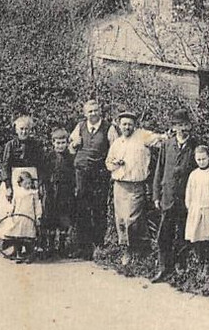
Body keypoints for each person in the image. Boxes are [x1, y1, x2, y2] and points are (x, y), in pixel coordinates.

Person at [105, 110, 166, 265]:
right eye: (124, 124)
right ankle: (126, 250)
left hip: (136, 185)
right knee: (120, 219)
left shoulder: (142, 136)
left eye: (130, 124)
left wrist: (169, 134)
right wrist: (115, 163)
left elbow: (159, 139)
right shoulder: (117, 143)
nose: (127, 127)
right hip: (119, 185)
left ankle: (137, 249)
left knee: (132, 218)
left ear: (135, 125)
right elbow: (108, 163)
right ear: (119, 125)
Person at [152, 108, 198, 283]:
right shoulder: (167, 145)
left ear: (190, 126)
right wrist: (156, 195)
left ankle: (180, 267)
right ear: (174, 127)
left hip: (186, 199)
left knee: (182, 234)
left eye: (185, 125)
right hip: (168, 197)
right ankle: (164, 268)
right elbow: (159, 171)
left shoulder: (194, 146)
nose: (183, 128)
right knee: (164, 234)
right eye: (179, 125)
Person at [69, 99, 116, 257]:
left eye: (95, 110)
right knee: (82, 207)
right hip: (82, 171)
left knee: (98, 207)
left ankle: (98, 244)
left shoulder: (108, 128)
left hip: (99, 173)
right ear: (85, 113)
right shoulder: (80, 126)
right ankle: (82, 245)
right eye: (90, 111)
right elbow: (70, 147)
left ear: (100, 111)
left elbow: (115, 149)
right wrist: (74, 145)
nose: (93, 114)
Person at [184, 146, 209, 264]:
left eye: (203, 159)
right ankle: (199, 259)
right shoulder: (193, 174)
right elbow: (189, 191)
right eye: (199, 159)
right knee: (196, 235)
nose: (201, 162)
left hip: (208, 210)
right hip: (196, 209)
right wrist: (189, 206)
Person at [42, 127, 76, 258]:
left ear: (67, 143)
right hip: (51, 191)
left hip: (65, 192)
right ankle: (49, 246)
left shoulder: (70, 158)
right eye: (58, 143)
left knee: (64, 219)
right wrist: (44, 187)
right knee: (50, 217)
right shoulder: (49, 157)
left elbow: (73, 175)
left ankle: (61, 246)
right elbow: (44, 173)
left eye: (63, 143)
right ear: (53, 143)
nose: (60, 146)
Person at [0, 170, 42, 263]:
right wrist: (10, 212)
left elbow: (37, 206)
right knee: (18, 237)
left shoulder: (33, 193)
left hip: (29, 219)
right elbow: (13, 204)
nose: (28, 185)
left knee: (28, 237)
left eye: (30, 183)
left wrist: (38, 217)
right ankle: (18, 254)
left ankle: (29, 254)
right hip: (18, 218)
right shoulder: (17, 193)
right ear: (20, 183)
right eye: (26, 183)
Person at [1, 115, 45, 200]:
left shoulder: (36, 145)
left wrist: (40, 184)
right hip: (14, 180)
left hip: (32, 180)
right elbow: (5, 166)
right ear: (16, 130)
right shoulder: (10, 145)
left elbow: (41, 166)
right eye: (21, 129)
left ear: (30, 130)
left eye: (26, 129)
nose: (24, 132)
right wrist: (8, 186)